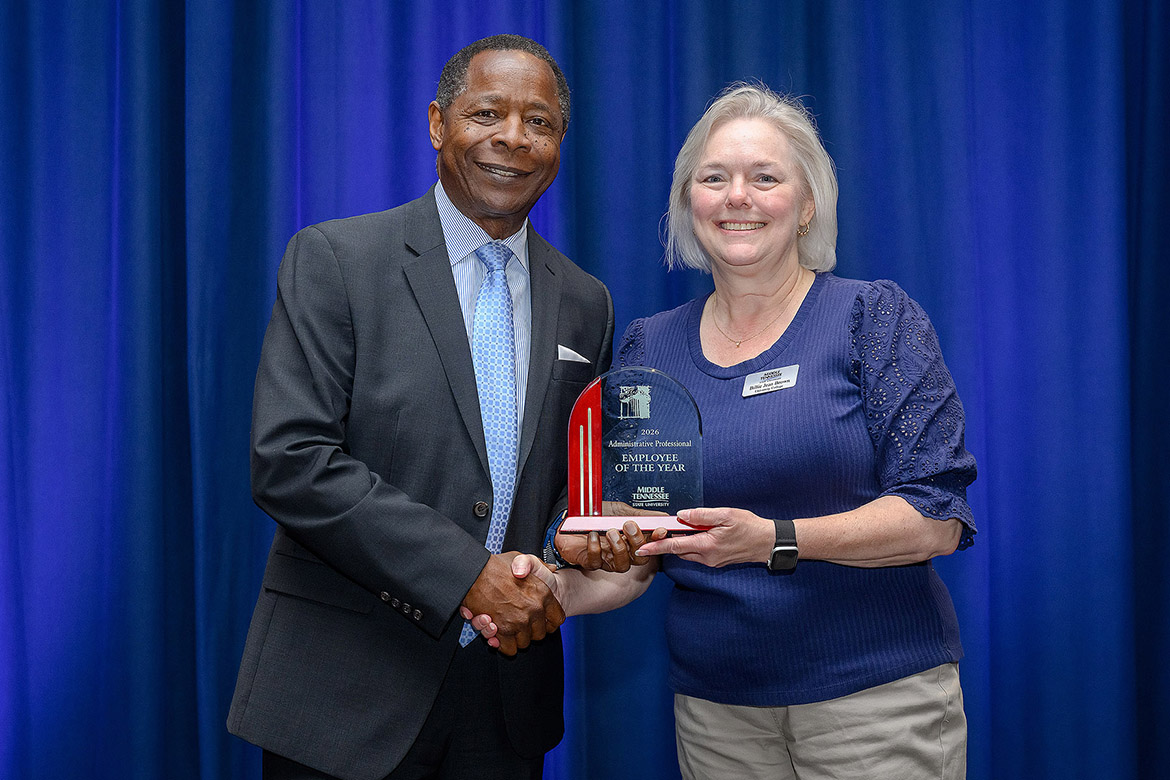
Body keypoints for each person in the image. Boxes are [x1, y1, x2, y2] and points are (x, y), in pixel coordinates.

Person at [471, 83, 978, 780]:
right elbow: (632, 555)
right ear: (689, 205)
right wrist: (550, 587)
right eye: (714, 178)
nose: (738, 197)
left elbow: (934, 517)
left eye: (765, 178)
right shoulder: (651, 347)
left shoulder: (873, 318)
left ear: (806, 206)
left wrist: (773, 541)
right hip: (717, 716)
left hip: (875, 706)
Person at [228, 34, 642, 780]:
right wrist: (464, 574)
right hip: (343, 697)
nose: (514, 139)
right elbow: (290, 462)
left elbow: (568, 477)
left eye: (540, 123)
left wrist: (576, 542)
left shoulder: (588, 303)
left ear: (560, 143)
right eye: (488, 113)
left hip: (504, 703)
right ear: (436, 124)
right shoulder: (335, 261)